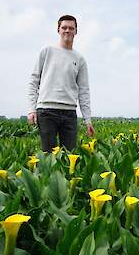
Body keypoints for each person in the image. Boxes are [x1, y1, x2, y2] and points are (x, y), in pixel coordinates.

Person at [28, 15, 95, 152]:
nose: (67, 31)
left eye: (71, 28)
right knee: (48, 156)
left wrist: (87, 120)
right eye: (64, 27)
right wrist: (31, 109)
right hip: (46, 112)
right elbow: (34, 81)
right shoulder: (47, 52)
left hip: (69, 113)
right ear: (58, 30)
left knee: (69, 155)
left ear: (76, 31)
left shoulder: (80, 59)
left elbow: (84, 91)